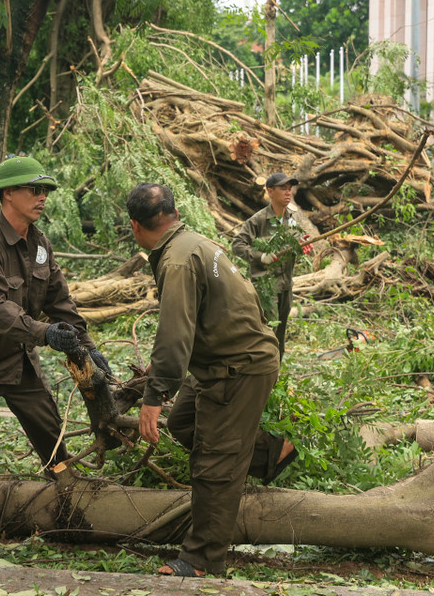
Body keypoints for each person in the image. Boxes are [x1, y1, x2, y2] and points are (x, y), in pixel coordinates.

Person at [0, 156, 110, 564]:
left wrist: (88, 348)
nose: (42, 197)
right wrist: (44, 334)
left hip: (18, 362)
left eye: (45, 190)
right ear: (7, 194)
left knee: (51, 436)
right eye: (34, 190)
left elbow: (59, 301)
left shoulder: (39, 245)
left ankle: (74, 509)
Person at [128, 183, 297, 578]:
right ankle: (271, 453)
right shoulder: (192, 242)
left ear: (136, 227)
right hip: (221, 360)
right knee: (184, 423)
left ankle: (202, 559)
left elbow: (173, 334)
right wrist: (164, 371)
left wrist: (153, 397)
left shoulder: (176, 260)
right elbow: (189, 325)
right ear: (173, 213)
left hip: (239, 366)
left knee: (214, 461)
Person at [232, 173, 311, 356]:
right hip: (266, 287)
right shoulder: (258, 220)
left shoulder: (292, 219)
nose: (288, 192)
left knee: (280, 335)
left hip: (286, 285)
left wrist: (301, 245)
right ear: (270, 192)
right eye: (283, 188)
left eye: (289, 189)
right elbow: (237, 245)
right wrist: (260, 256)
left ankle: (275, 376)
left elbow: (294, 243)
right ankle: (261, 375)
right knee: (268, 334)